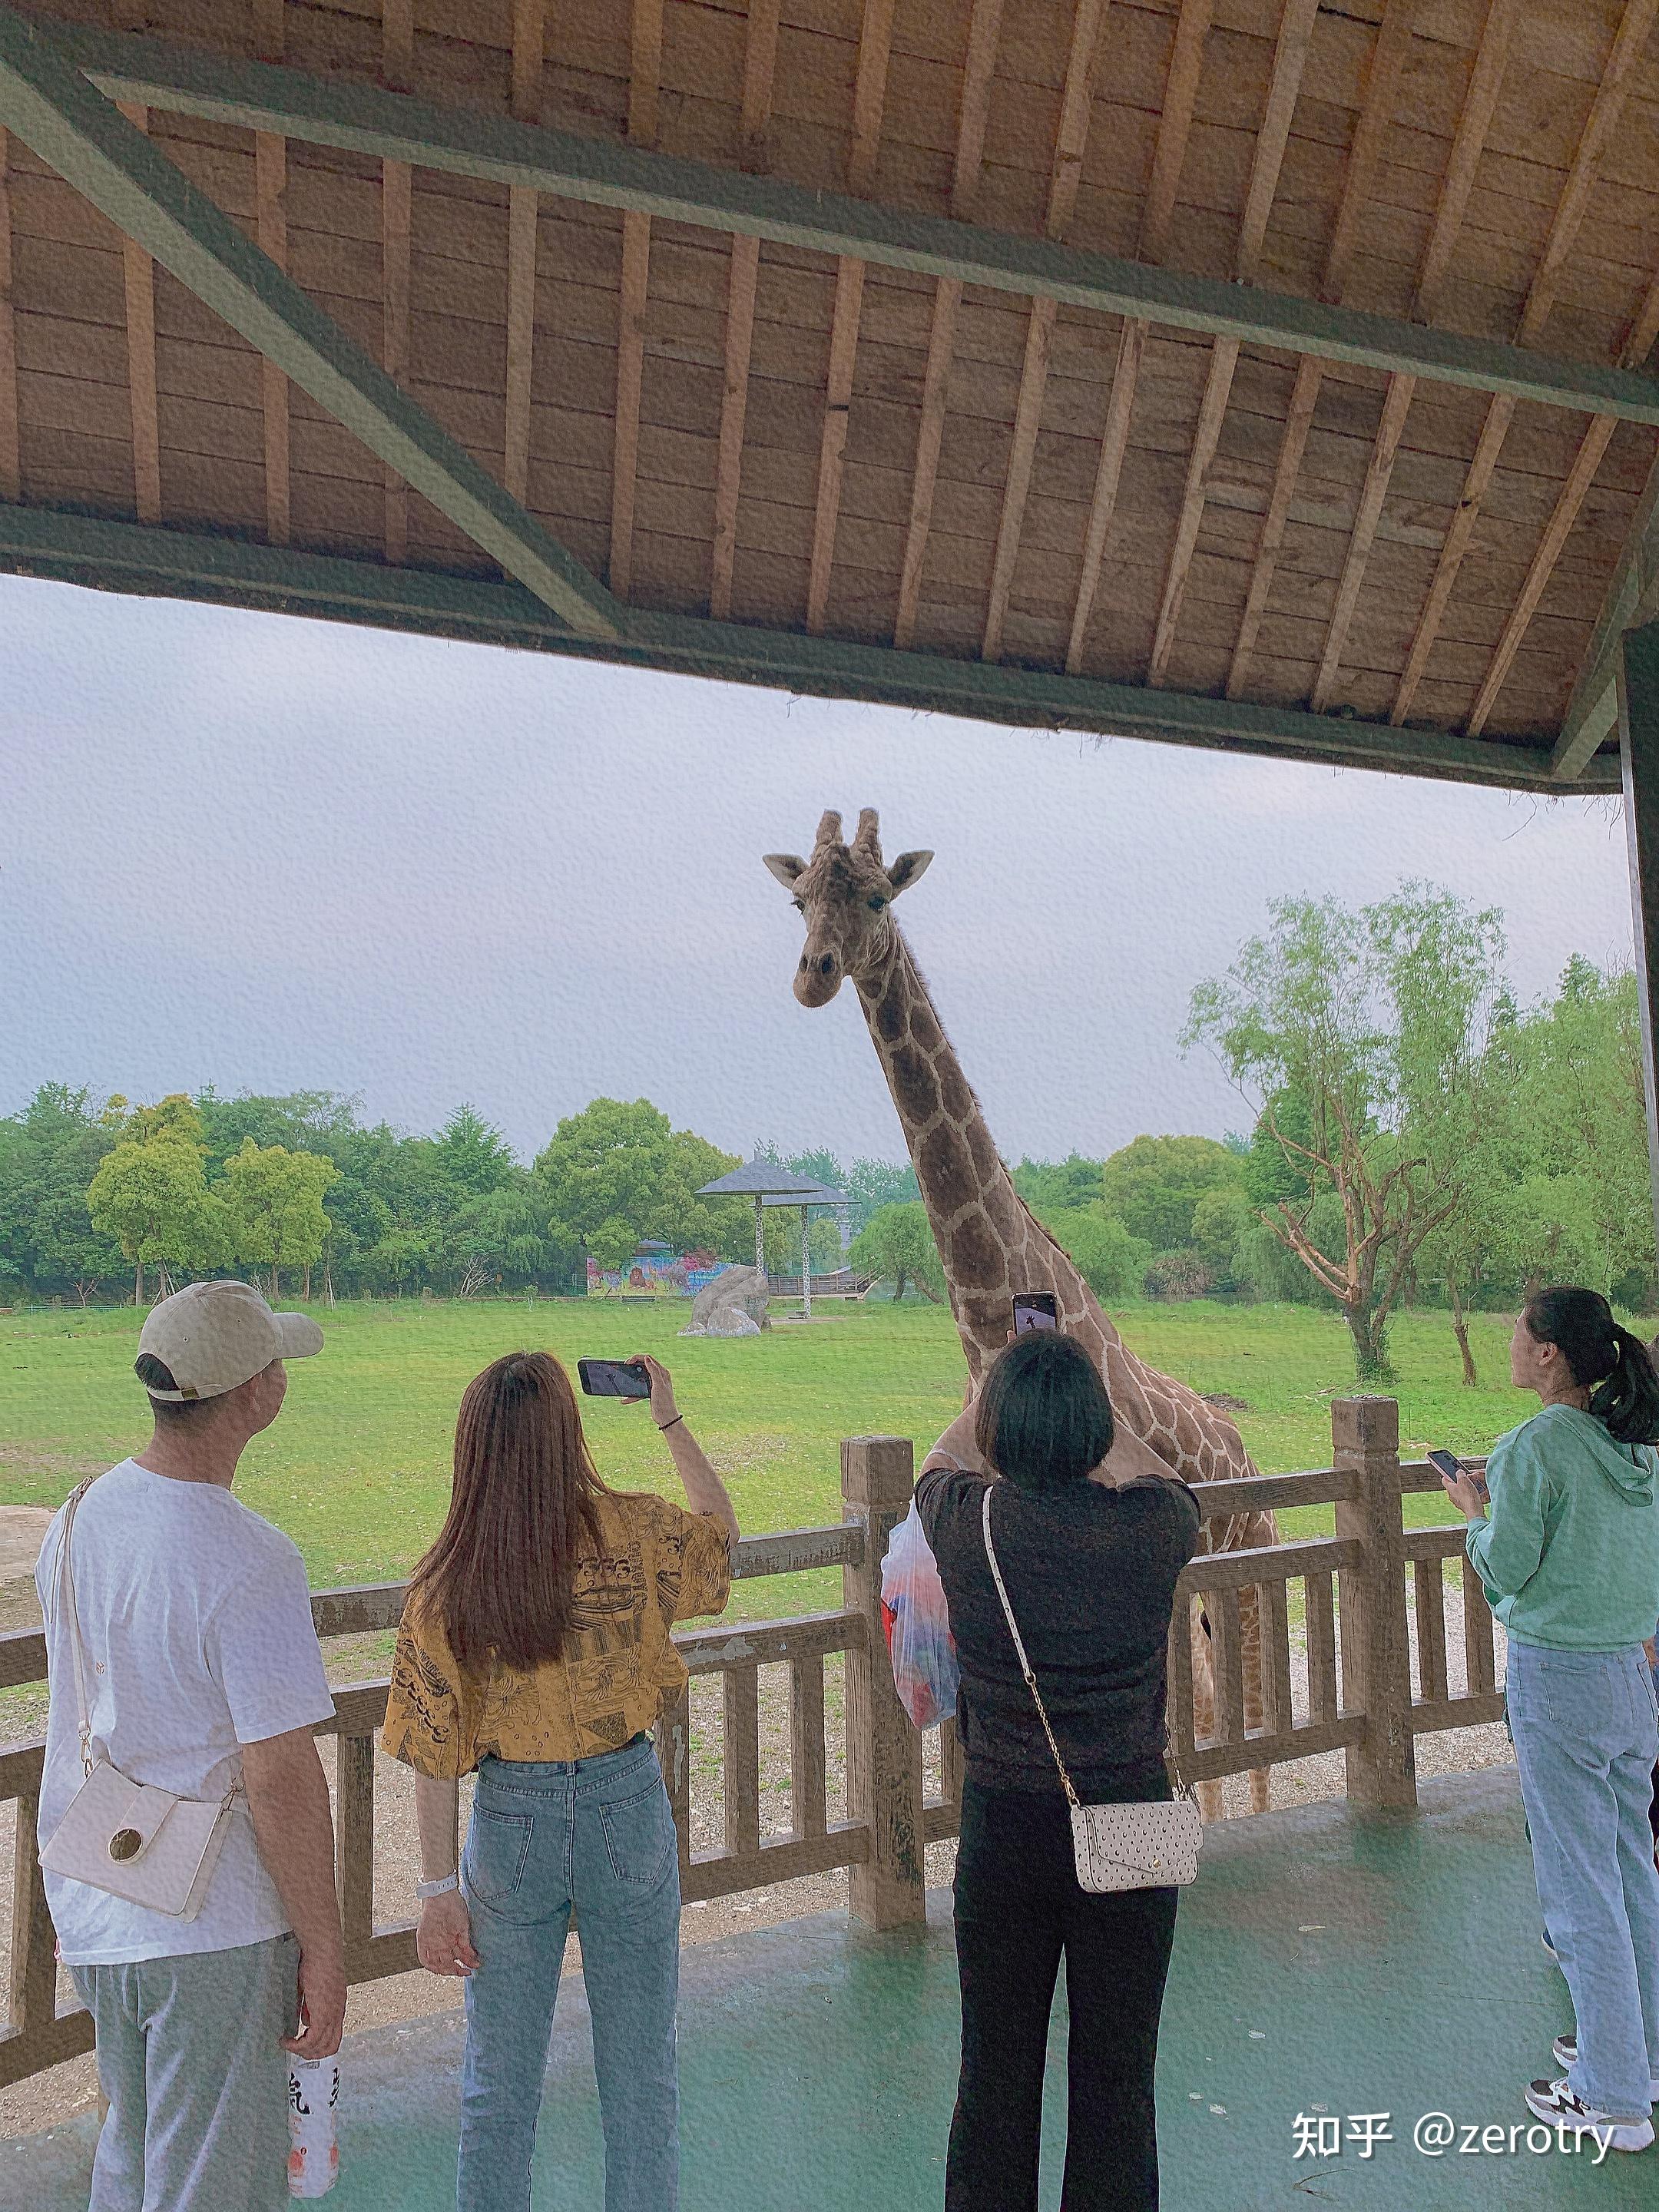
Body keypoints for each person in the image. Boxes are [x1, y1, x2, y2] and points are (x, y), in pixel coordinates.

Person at [380, 1349, 737, 2212]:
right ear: (569, 1434)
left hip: (513, 1825)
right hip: (627, 1809)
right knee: (642, 2081)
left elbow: (431, 1748)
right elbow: (721, 1542)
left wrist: (438, 1891)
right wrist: (668, 1418)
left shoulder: (449, 1581)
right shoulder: (638, 1533)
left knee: (497, 2088)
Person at [35, 1280, 344, 2212]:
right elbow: (280, 1774)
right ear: (255, 1395)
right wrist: (325, 1951)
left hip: (99, 1900)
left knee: (129, 2165)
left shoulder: (80, 1514)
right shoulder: (249, 1558)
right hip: (214, 1927)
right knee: (213, 2184)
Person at [915, 1330, 1201, 2212]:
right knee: (1120, 2079)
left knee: (995, 2075)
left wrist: (993, 1387)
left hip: (1007, 1827)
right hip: (1132, 1817)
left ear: (1002, 1428)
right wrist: (1097, 1412)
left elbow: (935, 1466)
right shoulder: (1157, 1528)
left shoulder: (972, 1523)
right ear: (1094, 1425)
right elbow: (1163, 1477)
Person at [1442, 1288, 1659, 2153]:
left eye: (1516, 1333)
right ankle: (1636, 2054)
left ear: (1546, 1357)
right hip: (1631, 1682)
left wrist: (1474, 1520)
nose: (1508, 1343)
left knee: (1580, 1890)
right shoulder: (1637, 1445)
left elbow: (1511, 1571)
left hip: (1560, 1681)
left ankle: (1611, 2099)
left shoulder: (1536, 1447)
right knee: (1630, 1867)